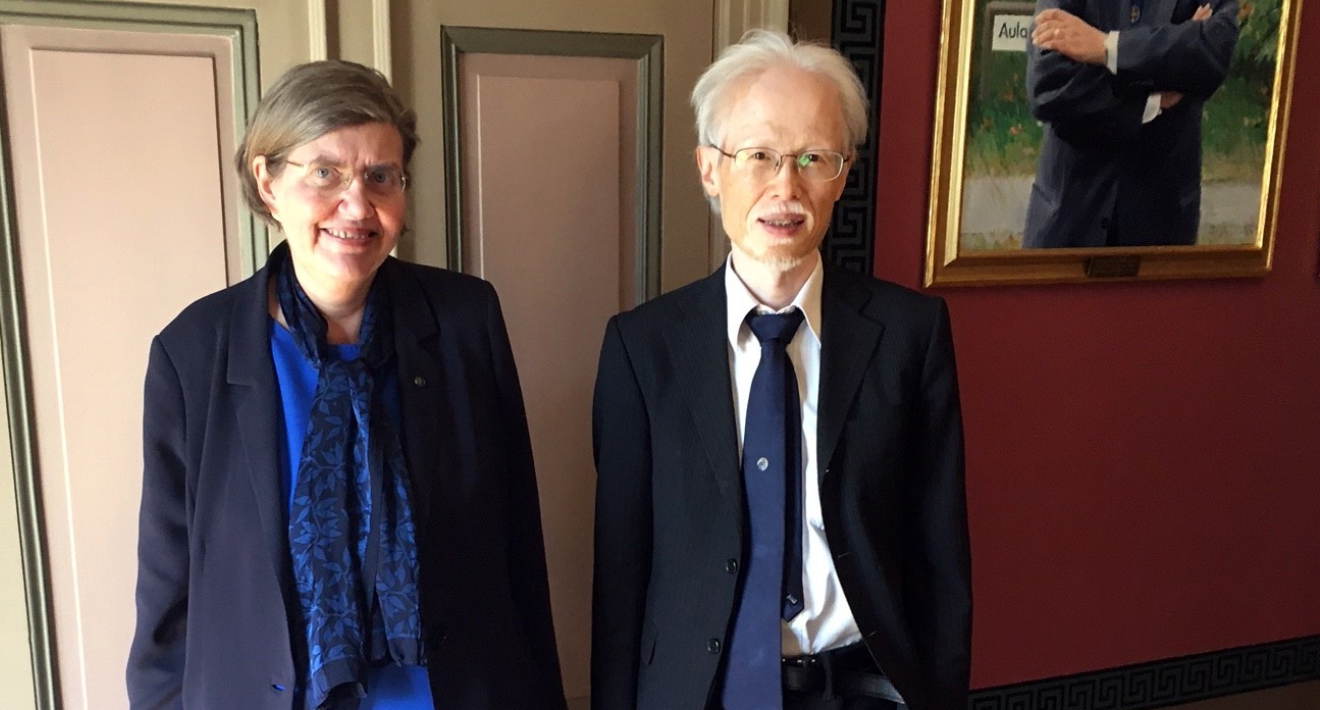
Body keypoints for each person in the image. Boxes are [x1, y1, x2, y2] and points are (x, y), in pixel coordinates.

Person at [127, 60, 567, 710]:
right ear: (268, 182)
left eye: (379, 177)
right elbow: (169, 599)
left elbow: (517, 555)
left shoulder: (464, 322)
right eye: (325, 172)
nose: (357, 205)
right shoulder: (191, 354)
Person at [591, 30, 971, 710]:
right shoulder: (641, 349)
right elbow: (622, 574)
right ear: (711, 169)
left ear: (843, 173)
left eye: (811, 157)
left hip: (867, 686)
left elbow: (940, 554)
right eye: (759, 155)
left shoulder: (910, 334)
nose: (785, 187)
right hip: (698, 690)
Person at [1023, 0, 1239, 248]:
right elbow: (1047, 85)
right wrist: (1152, 97)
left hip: (1160, 226)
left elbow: (1211, 52)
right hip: (1068, 222)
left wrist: (1106, 47)